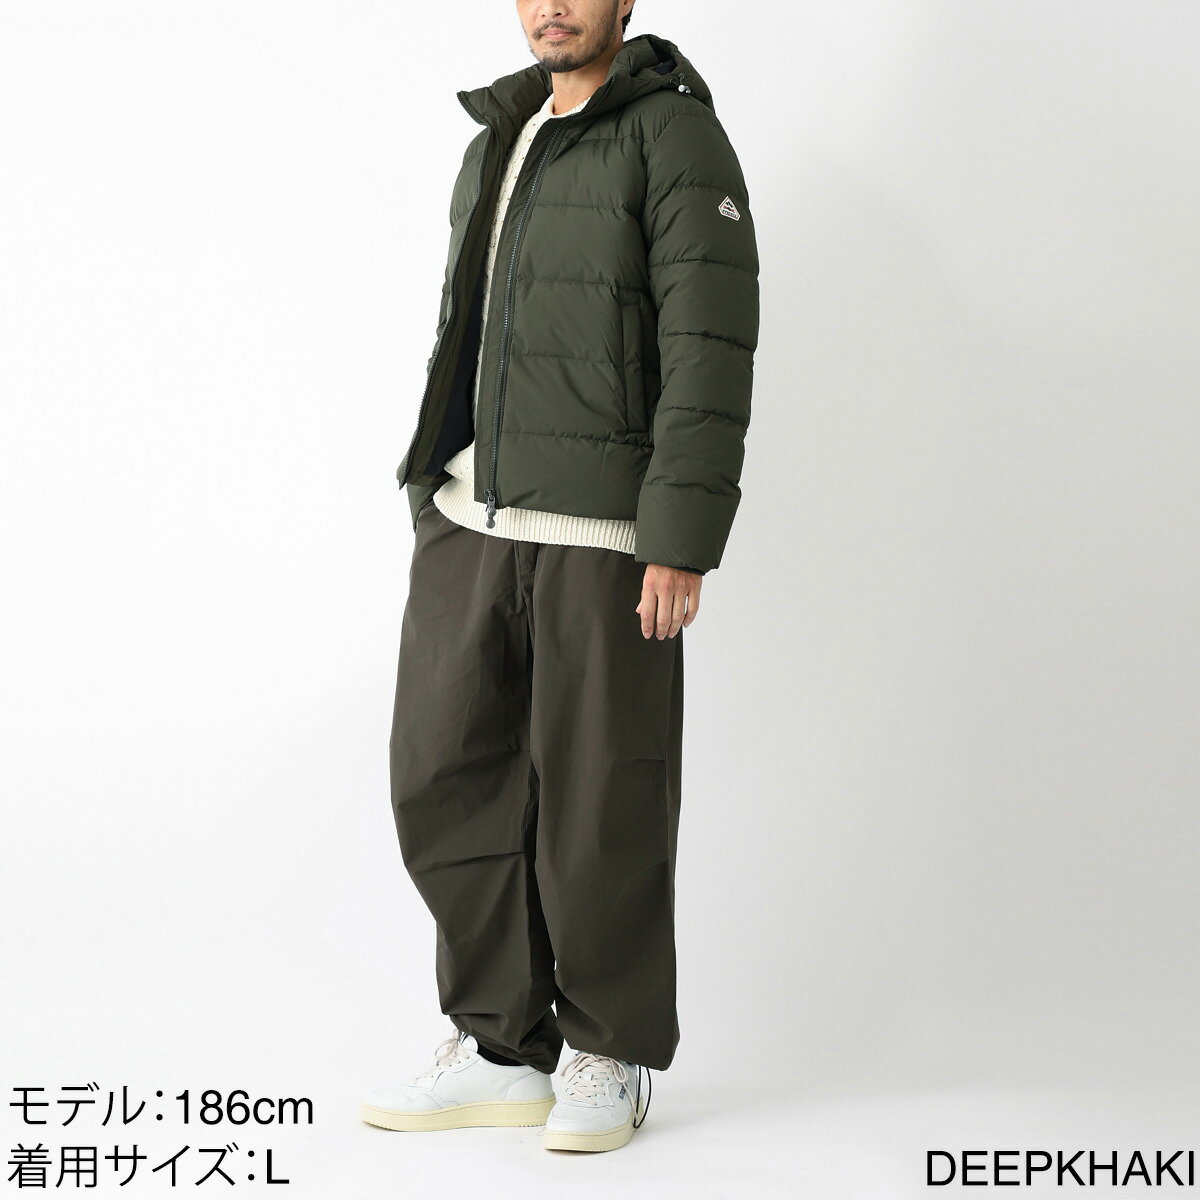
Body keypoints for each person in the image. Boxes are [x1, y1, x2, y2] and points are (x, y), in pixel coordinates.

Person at [361, 0, 758, 1154]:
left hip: (604, 530)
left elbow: (709, 341)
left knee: (601, 795)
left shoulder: (674, 135)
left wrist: (678, 531)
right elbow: (468, 324)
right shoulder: (500, 134)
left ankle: (608, 1050)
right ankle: (501, 1047)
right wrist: (428, 478)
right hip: (468, 515)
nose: (554, 5)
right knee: (443, 773)